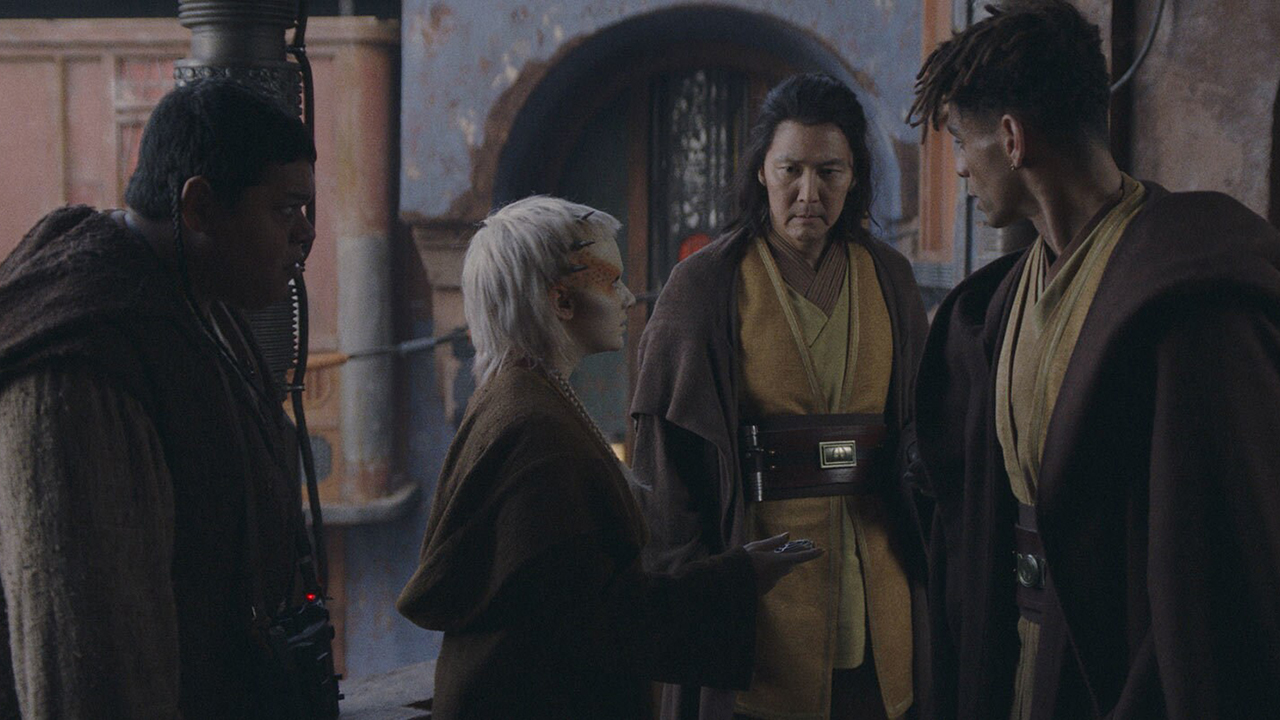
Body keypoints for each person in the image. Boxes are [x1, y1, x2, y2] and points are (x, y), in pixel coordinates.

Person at [907, 1, 1280, 718]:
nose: (956, 167)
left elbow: (1223, 560)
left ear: (1011, 138)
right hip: (1020, 660)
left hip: (1117, 672)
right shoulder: (1002, 303)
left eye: (960, 139)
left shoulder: (1187, 301)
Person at [395, 196, 821, 720]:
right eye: (610, 281)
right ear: (561, 301)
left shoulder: (525, 396)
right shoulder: (535, 430)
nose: (626, 298)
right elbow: (604, 622)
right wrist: (739, 576)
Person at [0, 79, 323, 718]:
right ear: (199, 207)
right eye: (286, 211)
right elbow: (88, 658)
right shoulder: (84, 362)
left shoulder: (198, 306)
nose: (305, 236)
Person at [630, 73, 932, 720]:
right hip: (759, 605)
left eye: (830, 171)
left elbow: (926, 427)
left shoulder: (890, 279)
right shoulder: (706, 285)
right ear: (761, 172)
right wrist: (693, 593)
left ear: (855, 176)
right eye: (790, 169)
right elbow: (667, 467)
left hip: (879, 585)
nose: (809, 193)